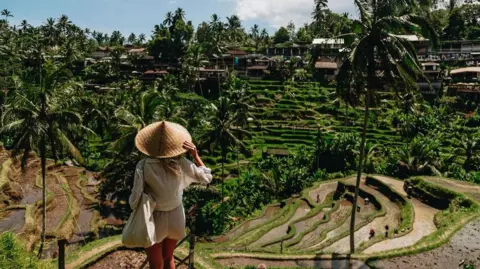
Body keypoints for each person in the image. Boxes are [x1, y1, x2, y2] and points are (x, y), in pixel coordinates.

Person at [128, 121, 213, 269]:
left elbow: (134, 200)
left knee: (156, 264)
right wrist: (195, 154)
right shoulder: (180, 162)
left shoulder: (143, 166)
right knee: (168, 257)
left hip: (154, 217)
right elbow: (206, 178)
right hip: (176, 217)